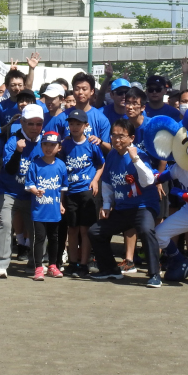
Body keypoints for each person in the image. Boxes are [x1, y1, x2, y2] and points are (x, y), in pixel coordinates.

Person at [88, 118, 161, 285]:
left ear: (131, 138)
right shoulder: (112, 155)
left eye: (121, 136)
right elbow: (107, 182)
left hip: (143, 207)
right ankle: (110, 270)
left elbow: (149, 180)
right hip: (122, 208)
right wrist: (107, 206)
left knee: (146, 230)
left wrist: (135, 159)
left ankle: (154, 274)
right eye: (114, 136)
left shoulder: (140, 155)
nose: (117, 140)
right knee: (95, 231)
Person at [0, 104, 45, 278]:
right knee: (5, 224)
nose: (35, 127)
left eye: (38, 123)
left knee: (38, 228)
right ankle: (0, 264)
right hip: (8, 191)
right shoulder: (12, 141)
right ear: (22, 122)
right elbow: (10, 169)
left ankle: (36, 263)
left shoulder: (45, 142)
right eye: (30, 123)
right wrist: (17, 151)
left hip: (32, 195)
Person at [60, 108, 105, 277]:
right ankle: (73, 263)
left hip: (87, 191)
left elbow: (101, 164)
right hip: (70, 191)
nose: (74, 127)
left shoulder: (92, 145)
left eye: (78, 124)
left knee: (85, 230)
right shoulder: (65, 144)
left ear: (86, 125)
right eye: (71, 124)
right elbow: (60, 166)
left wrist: (95, 180)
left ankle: (84, 264)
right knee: (72, 229)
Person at [26, 131, 69, 280]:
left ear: (59, 147)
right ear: (41, 146)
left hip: (54, 210)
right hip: (39, 210)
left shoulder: (61, 165)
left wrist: (61, 203)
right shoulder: (35, 164)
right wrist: (35, 191)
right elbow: (29, 183)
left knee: (54, 238)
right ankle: (38, 267)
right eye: (45, 144)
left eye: (52, 145)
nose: (48, 148)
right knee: (39, 238)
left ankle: (52, 265)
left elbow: (62, 188)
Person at [49, 72, 111, 154]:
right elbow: (50, 144)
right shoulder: (61, 117)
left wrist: (100, 142)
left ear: (92, 91)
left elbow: (109, 149)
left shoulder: (101, 119)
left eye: (84, 89)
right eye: (77, 89)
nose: (80, 92)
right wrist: (63, 143)